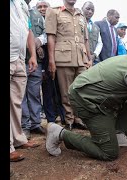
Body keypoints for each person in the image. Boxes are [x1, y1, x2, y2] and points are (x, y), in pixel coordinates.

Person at [45, 47, 127, 160]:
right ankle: (60, 133)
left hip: (100, 98)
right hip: (87, 99)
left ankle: (117, 134)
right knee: (109, 152)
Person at [45, 0, 93, 131]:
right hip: (63, 57)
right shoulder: (54, 11)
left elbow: (86, 40)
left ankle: (79, 118)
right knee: (66, 91)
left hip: (81, 58)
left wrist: (89, 59)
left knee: (81, 90)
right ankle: (69, 119)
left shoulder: (81, 14)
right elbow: (51, 36)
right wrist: (51, 60)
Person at [10, 0, 39, 162]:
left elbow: (27, 30)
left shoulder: (22, 4)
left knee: (15, 102)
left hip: (19, 58)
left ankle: (17, 139)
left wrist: (32, 55)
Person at [21, 0, 47, 140]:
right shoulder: (16, 10)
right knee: (21, 96)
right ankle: (24, 126)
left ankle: (35, 123)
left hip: (35, 61)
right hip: (19, 60)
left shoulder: (37, 14)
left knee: (34, 93)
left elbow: (46, 33)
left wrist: (38, 41)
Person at [82, 1, 103, 65]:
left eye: (92, 10)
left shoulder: (96, 27)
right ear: (82, 8)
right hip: (80, 59)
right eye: (88, 9)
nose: (90, 12)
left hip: (93, 61)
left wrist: (94, 55)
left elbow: (100, 43)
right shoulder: (77, 23)